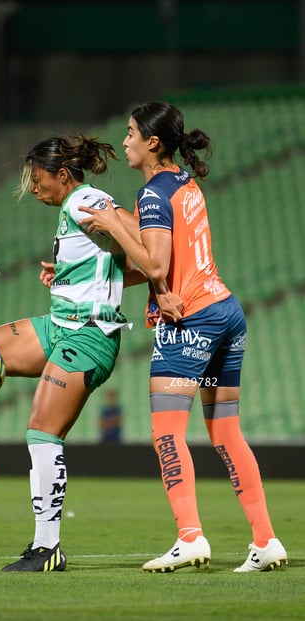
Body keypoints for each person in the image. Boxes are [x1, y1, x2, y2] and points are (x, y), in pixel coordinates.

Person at [79, 101, 288, 573]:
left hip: (190, 323)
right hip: (226, 313)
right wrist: (90, 273)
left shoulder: (152, 194)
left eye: (131, 132)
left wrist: (113, 222)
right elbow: (158, 263)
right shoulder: (181, 182)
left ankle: (190, 537)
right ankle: (265, 540)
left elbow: (153, 265)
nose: (126, 140)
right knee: (226, 431)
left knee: (166, 433)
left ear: (153, 142)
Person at [0, 133, 136, 573]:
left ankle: (47, 547)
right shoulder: (73, 207)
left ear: (61, 174)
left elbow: (141, 243)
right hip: (58, 325)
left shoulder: (86, 199)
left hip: (88, 336)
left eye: (38, 180)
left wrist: (139, 250)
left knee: (42, 431)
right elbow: (118, 263)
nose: (34, 189)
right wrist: (72, 273)